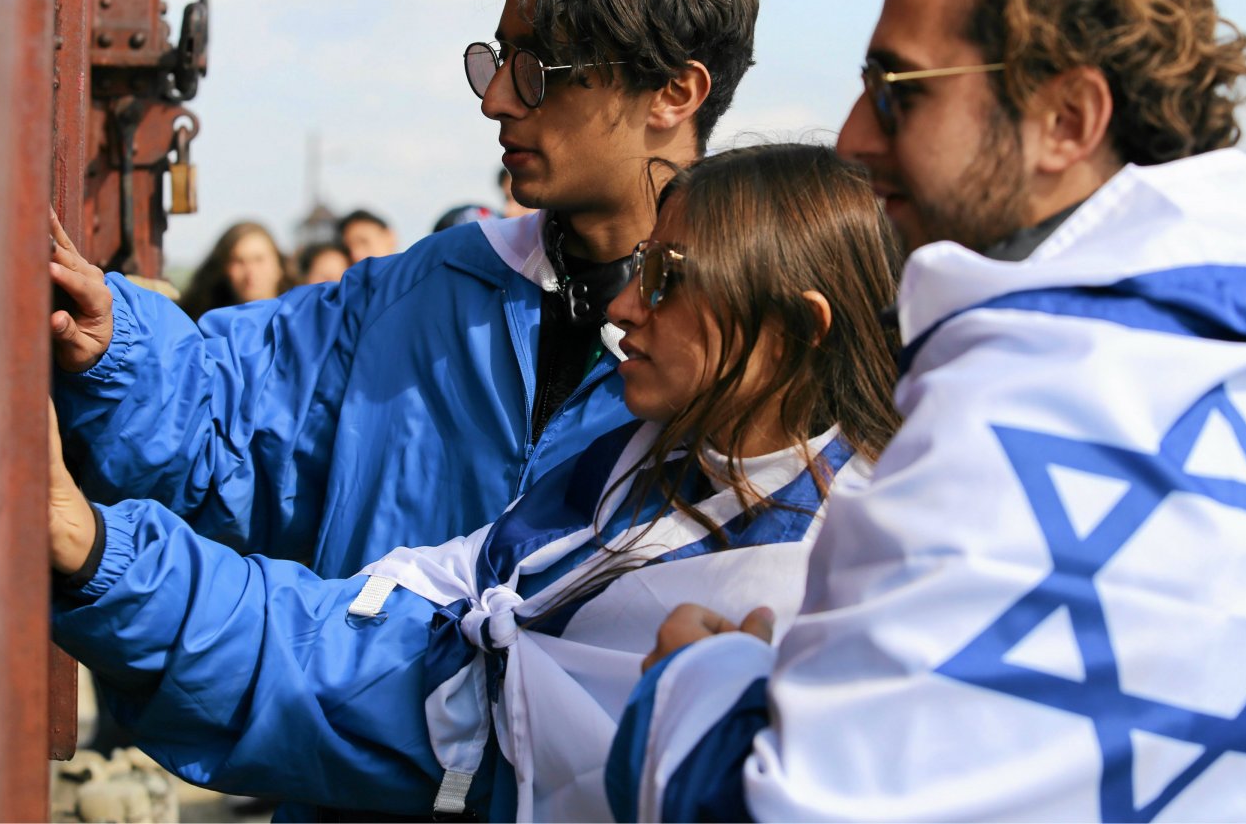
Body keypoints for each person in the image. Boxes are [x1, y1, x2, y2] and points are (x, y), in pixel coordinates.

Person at [610, 0, 1246, 822]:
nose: (852, 137)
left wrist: (696, 685)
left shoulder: (997, 427)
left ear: (1065, 120)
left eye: (898, 91)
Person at [49, 145, 903, 821]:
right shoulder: (641, 467)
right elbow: (412, 635)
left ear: (791, 330)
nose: (624, 308)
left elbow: (403, 684)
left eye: (670, 280)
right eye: (643, 268)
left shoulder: (812, 586)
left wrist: (100, 558)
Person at [47, 0, 757, 605]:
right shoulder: (417, 292)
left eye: (537, 70)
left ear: (676, 92)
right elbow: (222, 422)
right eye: (497, 58)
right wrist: (111, 351)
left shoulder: (759, 345)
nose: (495, 99)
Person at [176, 220, 293, 321]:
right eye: (239, 261)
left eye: (259, 259)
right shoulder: (207, 328)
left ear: (279, 266)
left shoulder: (302, 322)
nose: (250, 272)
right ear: (224, 269)